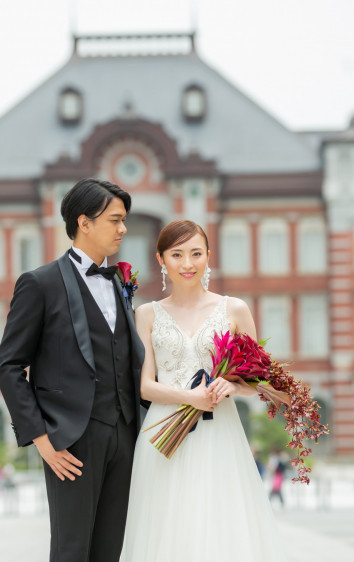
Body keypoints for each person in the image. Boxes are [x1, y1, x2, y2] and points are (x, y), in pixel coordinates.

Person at [0, 178, 144, 561]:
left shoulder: (121, 286)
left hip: (125, 435)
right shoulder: (39, 284)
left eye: (124, 220)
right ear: (85, 222)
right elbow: (10, 366)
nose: (123, 229)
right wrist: (43, 442)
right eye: (115, 220)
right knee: (71, 551)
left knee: (109, 551)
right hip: (70, 442)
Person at [123, 220, 286, 561]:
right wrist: (190, 397)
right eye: (177, 255)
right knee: (166, 530)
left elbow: (265, 384)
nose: (187, 264)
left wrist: (235, 384)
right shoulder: (146, 314)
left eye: (196, 253)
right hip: (160, 437)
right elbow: (144, 385)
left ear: (208, 256)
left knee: (219, 527)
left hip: (219, 435)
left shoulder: (234, 309)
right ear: (161, 259)